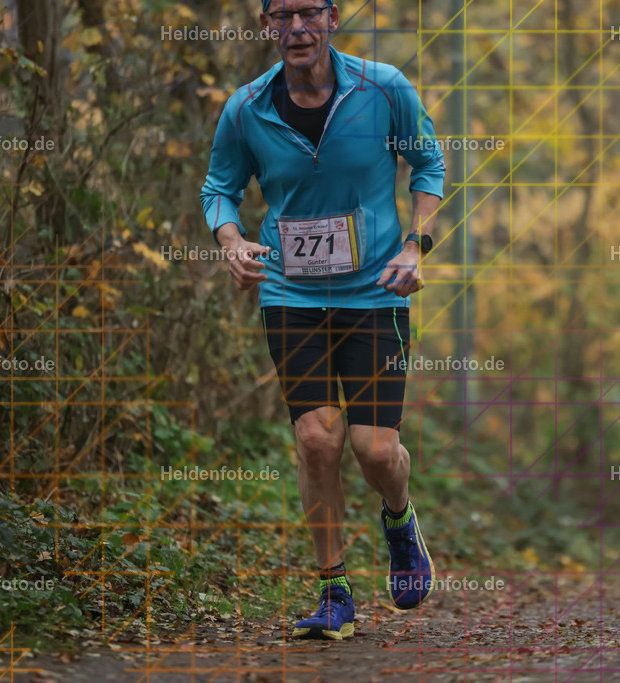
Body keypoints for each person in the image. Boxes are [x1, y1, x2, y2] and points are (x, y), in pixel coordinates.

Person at [199, 0, 445, 640]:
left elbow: (430, 164)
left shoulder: (383, 88)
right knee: (316, 438)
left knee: (374, 448)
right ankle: (334, 591)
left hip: (375, 294)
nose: (297, 28)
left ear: (334, 19)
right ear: (266, 26)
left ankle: (399, 520)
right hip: (291, 294)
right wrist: (230, 240)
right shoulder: (246, 107)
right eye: (282, 15)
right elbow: (219, 186)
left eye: (309, 12)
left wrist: (415, 244)